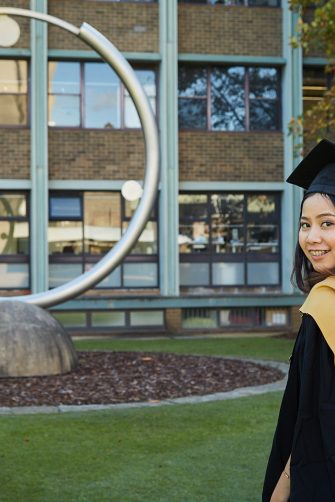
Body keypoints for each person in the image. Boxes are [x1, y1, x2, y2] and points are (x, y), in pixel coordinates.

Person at [262, 138, 335, 501]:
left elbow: (308, 423)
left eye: (328, 223)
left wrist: (282, 488)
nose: (312, 237)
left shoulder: (325, 308)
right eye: (305, 224)